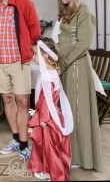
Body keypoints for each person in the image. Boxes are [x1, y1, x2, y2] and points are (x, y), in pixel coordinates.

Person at [0, 0, 41, 159]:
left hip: (19, 61)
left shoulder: (24, 4)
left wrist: (32, 48)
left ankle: (25, 145)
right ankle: (17, 139)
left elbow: (35, 30)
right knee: (8, 99)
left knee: (23, 101)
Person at [52, 0, 102, 171]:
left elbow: (83, 44)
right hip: (66, 66)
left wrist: (63, 62)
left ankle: (82, 157)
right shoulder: (66, 11)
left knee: (77, 111)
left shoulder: (84, 12)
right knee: (68, 110)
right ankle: (70, 153)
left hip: (76, 66)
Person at [27, 38, 73, 181]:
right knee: (46, 145)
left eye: (34, 54)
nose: (32, 57)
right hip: (50, 115)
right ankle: (45, 168)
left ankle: (53, 172)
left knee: (49, 146)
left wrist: (41, 118)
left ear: (45, 55)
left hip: (47, 118)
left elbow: (45, 101)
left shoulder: (48, 77)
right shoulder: (51, 72)